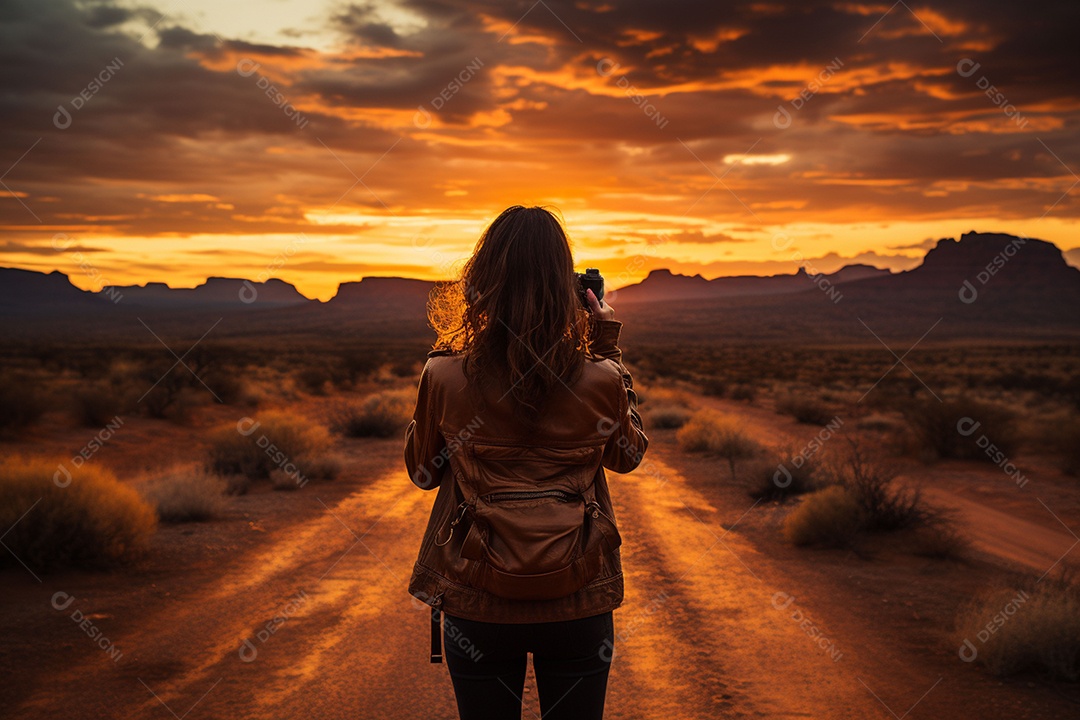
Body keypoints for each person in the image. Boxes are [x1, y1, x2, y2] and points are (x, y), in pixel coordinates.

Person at [404, 205, 649, 720]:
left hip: (478, 600)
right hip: (577, 599)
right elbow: (628, 457)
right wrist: (607, 348)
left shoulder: (445, 376)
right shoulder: (599, 377)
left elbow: (424, 474)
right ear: (570, 289)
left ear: (481, 281)